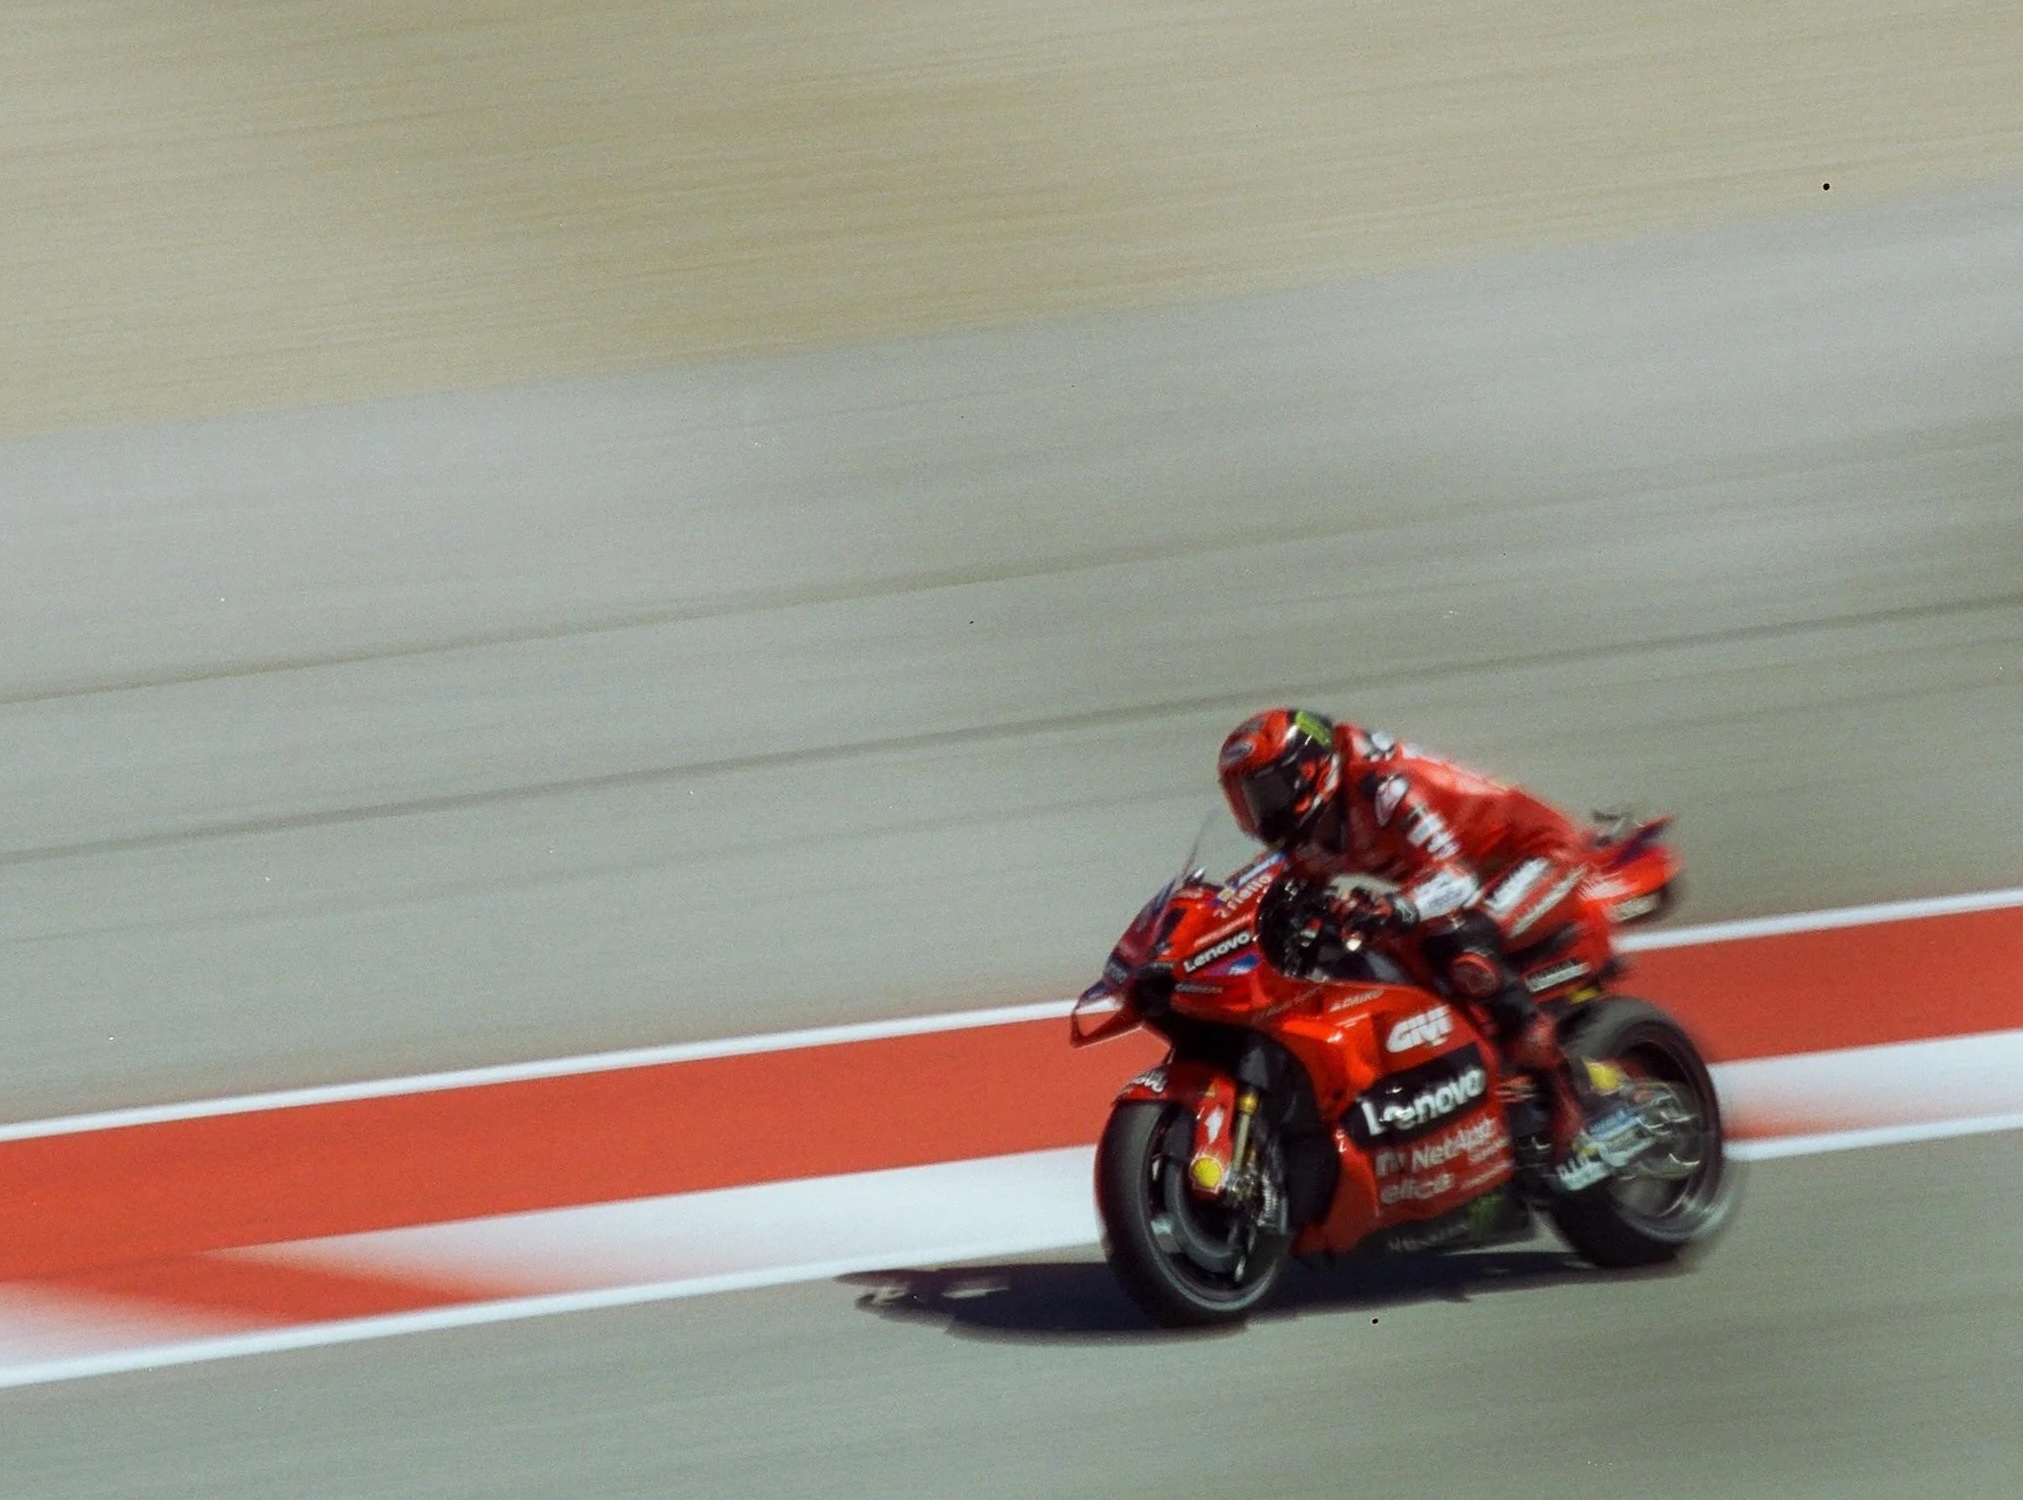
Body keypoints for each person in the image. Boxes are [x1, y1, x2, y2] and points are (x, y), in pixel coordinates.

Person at [1216, 706, 1627, 1177]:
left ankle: (1564, 1096)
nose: (1260, 812)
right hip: (1469, 881)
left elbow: (1454, 879)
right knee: (1374, 959)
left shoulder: (1382, 788)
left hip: (1538, 855)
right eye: (1245, 800)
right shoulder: (1309, 834)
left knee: (1462, 944)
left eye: (1265, 792)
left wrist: (1397, 907)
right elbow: (1278, 896)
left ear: (1308, 770)